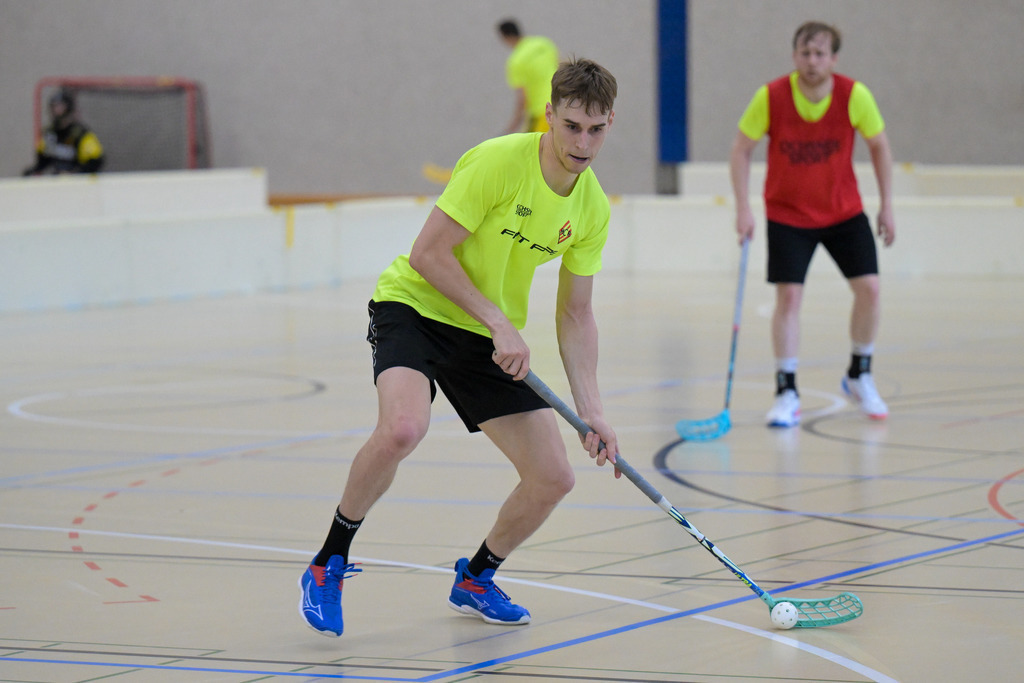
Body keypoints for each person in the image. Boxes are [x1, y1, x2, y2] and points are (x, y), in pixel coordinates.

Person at [299, 57, 620, 637]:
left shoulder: (591, 208)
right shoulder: (498, 162)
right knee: (403, 429)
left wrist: (592, 410)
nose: (582, 143)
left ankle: (476, 577)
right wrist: (497, 320)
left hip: (486, 336)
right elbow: (428, 253)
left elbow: (576, 313)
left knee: (553, 477)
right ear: (549, 114)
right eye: (572, 126)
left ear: (609, 124)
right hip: (417, 307)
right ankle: (328, 562)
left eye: (595, 130)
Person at [730, 20, 896, 428]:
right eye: (805, 53)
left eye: (820, 53)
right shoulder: (771, 96)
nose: (812, 61)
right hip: (788, 213)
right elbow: (741, 150)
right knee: (789, 298)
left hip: (843, 211)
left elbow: (879, 146)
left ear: (833, 59)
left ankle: (859, 373)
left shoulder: (854, 95)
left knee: (870, 289)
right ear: (794, 56)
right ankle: (786, 390)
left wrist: (887, 205)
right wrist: (743, 208)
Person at [497, 19, 560, 135]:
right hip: (560, 106)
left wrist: (512, 126)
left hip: (541, 112)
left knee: (531, 145)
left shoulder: (516, 61)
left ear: (505, 37)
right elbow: (561, 67)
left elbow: (522, 99)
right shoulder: (544, 44)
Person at [23, 89, 105, 176]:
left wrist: (75, 174)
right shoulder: (49, 132)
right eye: (54, 106)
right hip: (57, 178)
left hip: (78, 180)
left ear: (68, 107)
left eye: (60, 106)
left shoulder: (80, 134)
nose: (56, 110)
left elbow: (95, 160)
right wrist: (34, 170)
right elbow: (43, 158)